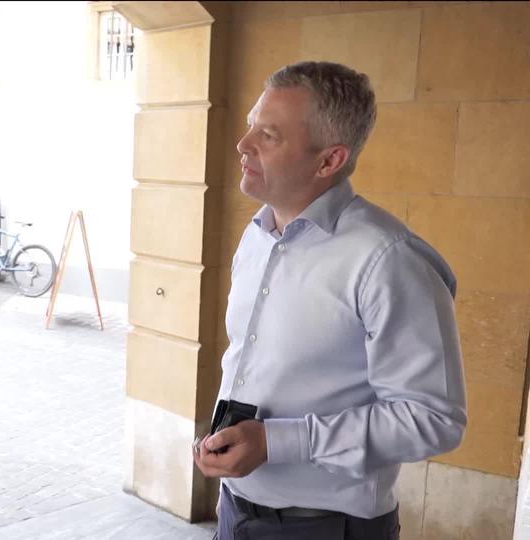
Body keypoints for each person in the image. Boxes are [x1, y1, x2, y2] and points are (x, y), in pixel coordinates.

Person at [193, 61, 467, 540]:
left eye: (269, 135)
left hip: (329, 528)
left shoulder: (388, 260)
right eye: (251, 125)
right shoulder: (256, 236)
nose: (243, 144)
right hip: (236, 512)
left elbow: (433, 419)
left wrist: (278, 443)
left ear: (329, 161)